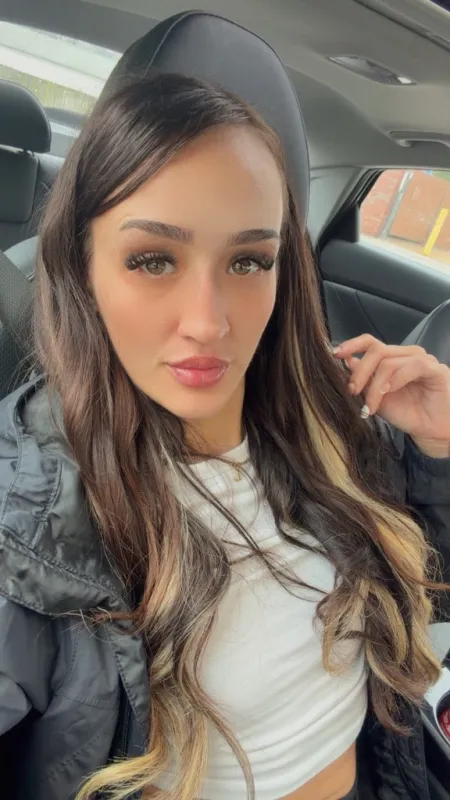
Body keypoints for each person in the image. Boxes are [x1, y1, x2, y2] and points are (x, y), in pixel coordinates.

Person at [0, 72, 449, 800]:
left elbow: (432, 585)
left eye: (248, 261)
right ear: (83, 266)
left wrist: (440, 449)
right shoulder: (26, 518)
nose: (209, 322)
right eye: (153, 260)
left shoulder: (330, 424)